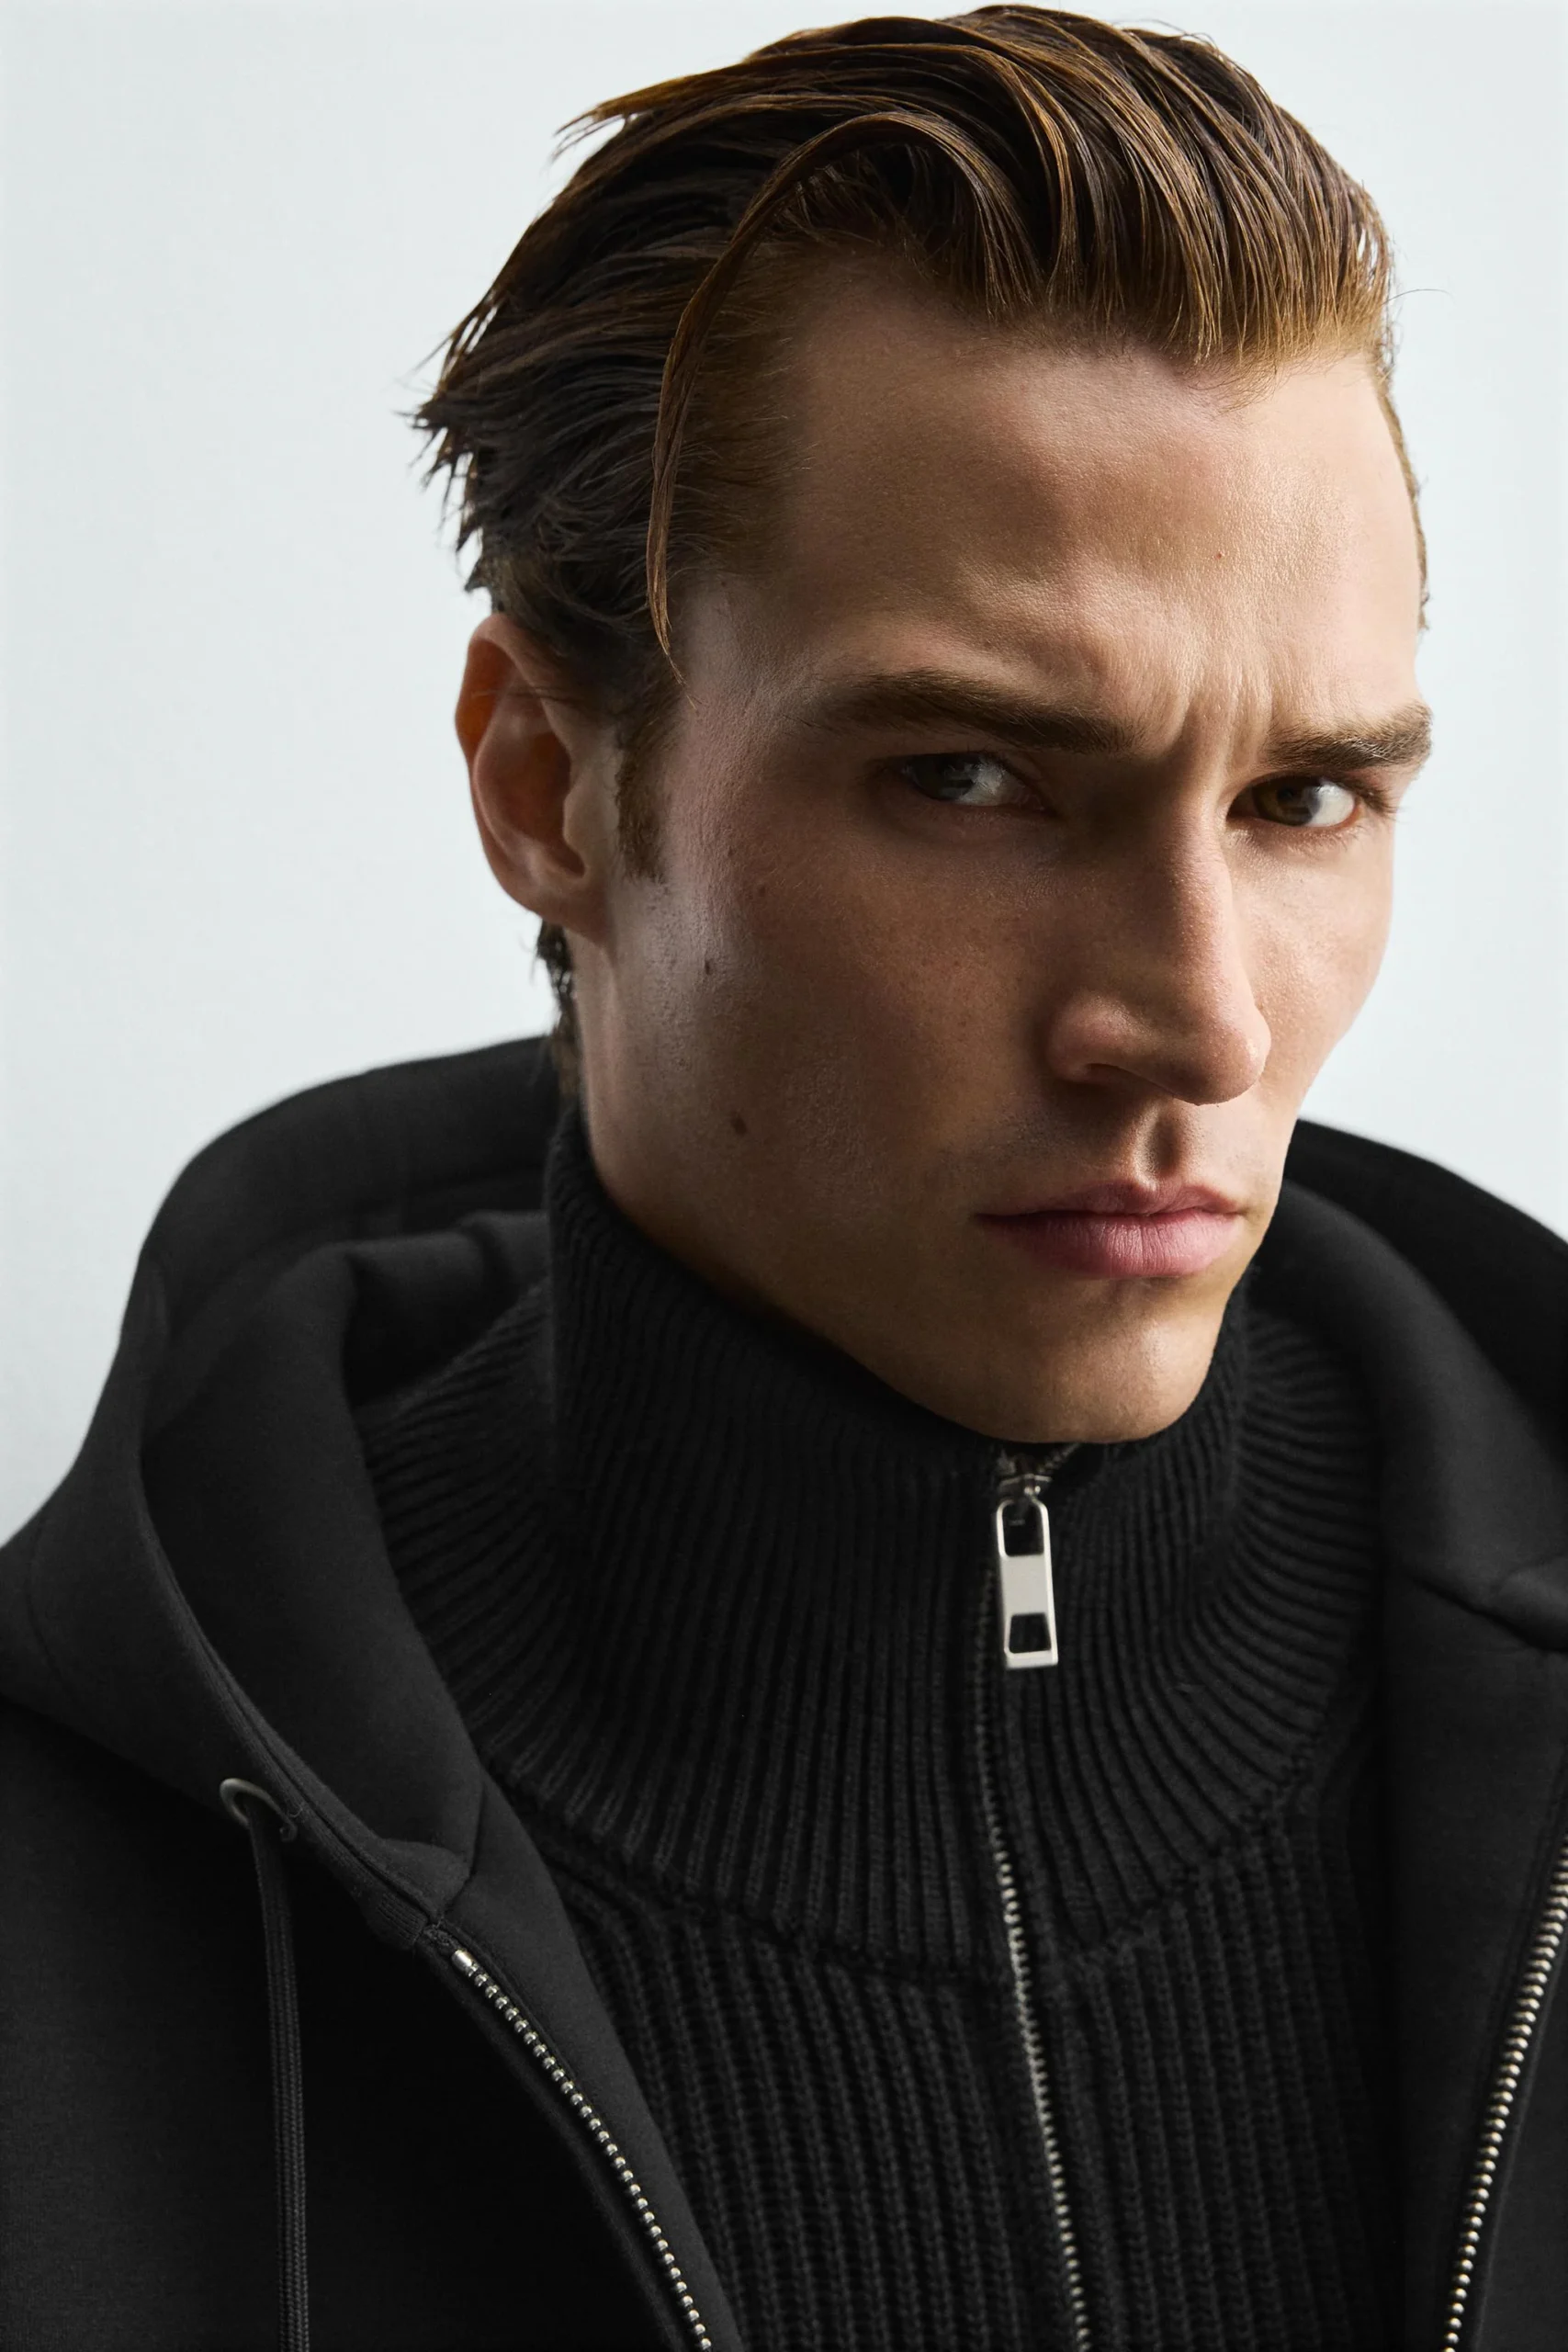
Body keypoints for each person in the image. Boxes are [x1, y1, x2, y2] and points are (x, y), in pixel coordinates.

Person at [2, 7, 1564, 2347]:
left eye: (1302, 800)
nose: (1205, 1022)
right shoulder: (60, 1917)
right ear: (547, 782)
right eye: (971, 778)